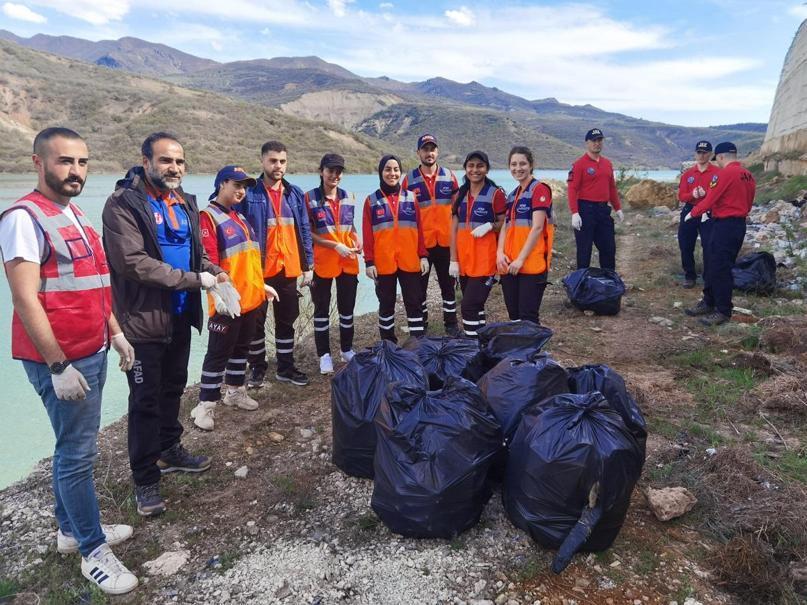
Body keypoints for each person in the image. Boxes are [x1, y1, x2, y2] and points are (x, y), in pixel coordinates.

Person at [0, 127, 138, 594]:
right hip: (62, 361)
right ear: (38, 163)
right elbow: (25, 300)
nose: (75, 171)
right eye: (64, 161)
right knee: (78, 454)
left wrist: (116, 334)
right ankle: (92, 550)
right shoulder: (23, 218)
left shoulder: (73, 213)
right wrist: (58, 366)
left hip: (92, 350)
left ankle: (69, 530)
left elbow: (94, 285)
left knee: (72, 446)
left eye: (82, 162)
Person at [103, 132, 224, 517]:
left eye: (179, 162)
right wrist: (194, 280)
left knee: (173, 387)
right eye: (166, 160)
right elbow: (132, 262)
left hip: (180, 313)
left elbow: (195, 256)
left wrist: (214, 272)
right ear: (146, 161)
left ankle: (170, 450)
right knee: (144, 400)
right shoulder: (123, 204)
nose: (174, 168)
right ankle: (145, 478)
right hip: (142, 321)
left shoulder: (184, 201)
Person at [190, 166, 280, 430]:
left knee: (242, 348)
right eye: (236, 185)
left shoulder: (240, 218)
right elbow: (205, 259)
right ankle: (205, 405)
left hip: (250, 298)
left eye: (244, 186)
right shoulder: (208, 217)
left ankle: (235, 391)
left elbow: (248, 261)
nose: (241, 191)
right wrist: (217, 289)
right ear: (221, 184)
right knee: (218, 353)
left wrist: (262, 285)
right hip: (227, 301)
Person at [235, 141, 314, 388]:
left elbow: (304, 228)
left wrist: (308, 263)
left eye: (282, 161)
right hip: (259, 270)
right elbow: (235, 226)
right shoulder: (251, 193)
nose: (278, 166)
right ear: (262, 161)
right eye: (272, 161)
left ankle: (286, 368)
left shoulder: (295, 193)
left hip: (288, 268)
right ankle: (257, 368)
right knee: (255, 323)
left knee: (286, 321)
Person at [684, 142, 755, 326]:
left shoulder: (725, 174)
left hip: (724, 225)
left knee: (720, 267)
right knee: (715, 263)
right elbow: (748, 202)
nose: (719, 163)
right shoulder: (748, 175)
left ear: (721, 157)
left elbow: (710, 199)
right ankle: (709, 301)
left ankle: (722, 310)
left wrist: (693, 213)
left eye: (718, 159)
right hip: (738, 224)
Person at [304, 154, 361, 375]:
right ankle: (324, 355)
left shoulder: (349, 197)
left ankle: (346, 350)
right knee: (321, 311)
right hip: (322, 262)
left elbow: (350, 226)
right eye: (330, 170)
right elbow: (307, 231)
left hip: (348, 260)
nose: (335, 175)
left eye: (339, 171)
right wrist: (332, 245)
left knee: (347, 310)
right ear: (321, 171)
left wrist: (357, 240)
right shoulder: (309, 199)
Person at [363, 155, 429, 342]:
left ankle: (418, 344)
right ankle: (388, 345)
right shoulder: (371, 201)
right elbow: (367, 235)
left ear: (400, 172)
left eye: (396, 170)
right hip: (383, 263)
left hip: (410, 260)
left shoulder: (411, 197)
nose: (392, 173)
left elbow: (420, 229)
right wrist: (369, 262)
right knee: (386, 305)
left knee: (414, 303)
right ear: (381, 172)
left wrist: (423, 255)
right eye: (388, 169)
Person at [402, 134, 460, 336]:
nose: (429, 153)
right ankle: (422, 328)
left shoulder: (449, 176)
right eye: (425, 149)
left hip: (445, 243)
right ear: (418, 152)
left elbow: (458, 210)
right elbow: (403, 215)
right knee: (419, 289)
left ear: (438, 151)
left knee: (448, 287)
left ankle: (451, 326)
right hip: (422, 245)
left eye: (432, 149)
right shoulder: (409, 180)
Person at [448, 150, 506, 338]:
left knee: (468, 306)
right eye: (471, 165)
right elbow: (454, 229)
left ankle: (471, 346)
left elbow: (505, 224)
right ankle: (481, 343)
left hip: (485, 261)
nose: (475, 170)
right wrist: (453, 260)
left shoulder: (495, 194)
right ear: (465, 168)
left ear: (487, 169)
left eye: (480, 166)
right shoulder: (459, 195)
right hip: (465, 261)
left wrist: (490, 226)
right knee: (476, 306)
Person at [497, 146, 555, 324]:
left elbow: (537, 228)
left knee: (528, 315)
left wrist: (521, 259)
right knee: (514, 314)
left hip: (530, 263)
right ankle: (518, 350)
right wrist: (499, 252)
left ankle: (531, 351)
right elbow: (505, 227)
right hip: (510, 263)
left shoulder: (539, 189)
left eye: (522, 163)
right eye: (513, 164)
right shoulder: (513, 195)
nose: (518, 168)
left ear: (531, 165)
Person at [567, 128, 624, 270]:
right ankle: (582, 286)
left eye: (599, 140)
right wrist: (575, 212)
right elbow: (572, 189)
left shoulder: (607, 164)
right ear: (587, 143)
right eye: (594, 141)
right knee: (584, 251)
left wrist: (618, 208)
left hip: (603, 211)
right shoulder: (579, 164)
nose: (597, 143)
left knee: (608, 249)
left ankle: (609, 283)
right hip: (585, 210)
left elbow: (611, 187)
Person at [678, 141, 719, 288]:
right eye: (699, 152)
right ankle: (690, 275)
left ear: (710, 154)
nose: (701, 155)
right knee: (685, 244)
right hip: (690, 209)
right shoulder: (688, 174)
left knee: (709, 245)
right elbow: (681, 196)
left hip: (709, 212)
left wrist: (707, 194)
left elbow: (719, 194)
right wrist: (693, 194)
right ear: (695, 153)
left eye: (704, 152)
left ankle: (708, 276)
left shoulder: (717, 173)